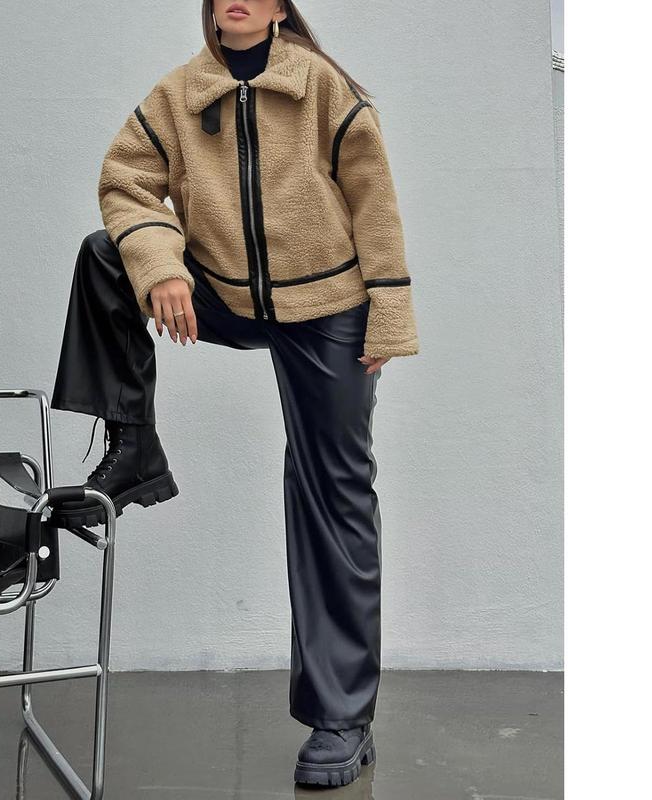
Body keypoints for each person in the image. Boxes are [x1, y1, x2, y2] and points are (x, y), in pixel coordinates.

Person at [51, 0, 419, 787]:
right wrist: (163, 266)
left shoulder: (320, 87)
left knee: (333, 491)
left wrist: (387, 312)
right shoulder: (179, 94)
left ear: (281, 7)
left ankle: (342, 718)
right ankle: (133, 444)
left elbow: (374, 202)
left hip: (328, 307)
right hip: (223, 294)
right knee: (105, 256)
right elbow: (125, 183)